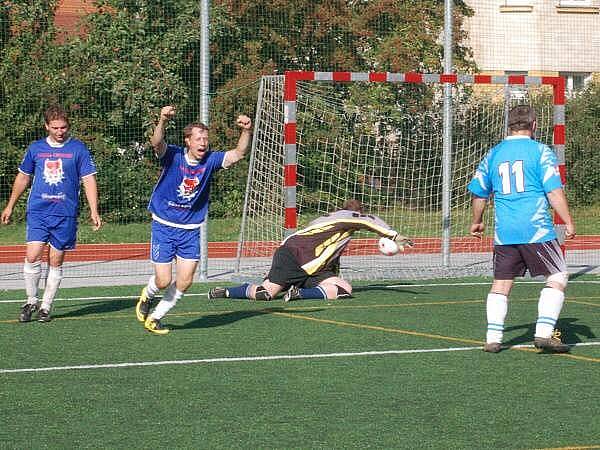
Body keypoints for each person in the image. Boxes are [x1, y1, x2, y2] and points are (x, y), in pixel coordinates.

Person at [467, 105, 576, 354]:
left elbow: (479, 193)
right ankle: (543, 334)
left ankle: (493, 338)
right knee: (558, 276)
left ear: (509, 126)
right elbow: (553, 191)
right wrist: (568, 220)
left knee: (501, 283)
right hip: (536, 229)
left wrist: (477, 220)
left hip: (504, 232)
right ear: (534, 125)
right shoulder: (541, 152)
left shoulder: (493, 154)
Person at [135, 105, 252, 334]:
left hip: (190, 229)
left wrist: (246, 130)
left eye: (205, 139)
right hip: (164, 225)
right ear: (187, 141)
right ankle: (147, 297)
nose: (203, 143)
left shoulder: (210, 160)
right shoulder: (173, 155)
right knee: (162, 281)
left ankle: (156, 318)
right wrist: (162, 120)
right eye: (198, 138)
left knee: (185, 281)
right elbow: (156, 143)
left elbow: (238, 153)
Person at [1, 105, 102, 322]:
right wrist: (10, 205)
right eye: (55, 127)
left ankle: (46, 306)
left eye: (63, 127)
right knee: (32, 254)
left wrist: (94, 210)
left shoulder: (78, 149)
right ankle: (30, 301)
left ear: (68, 126)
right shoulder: (36, 148)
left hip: (65, 213)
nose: (59, 131)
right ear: (47, 126)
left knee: (55, 260)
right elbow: (23, 177)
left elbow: (88, 180)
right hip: (38, 211)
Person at [208, 199, 413, 302]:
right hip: (293, 257)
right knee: (266, 293)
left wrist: (332, 274)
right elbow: (368, 220)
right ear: (355, 212)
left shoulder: (335, 228)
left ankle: (299, 293)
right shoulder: (344, 218)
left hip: (312, 268)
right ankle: (226, 291)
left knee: (344, 289)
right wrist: (393, 235)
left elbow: (331, 256)